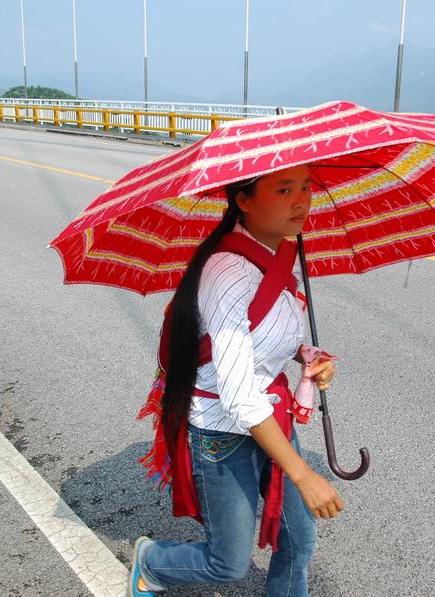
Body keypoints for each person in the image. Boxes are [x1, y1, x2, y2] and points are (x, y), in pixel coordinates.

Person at [129, 164, 343, 596]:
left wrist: (308, 356)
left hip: (270, 418)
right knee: (227, 564)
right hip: (222, 428)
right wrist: (302, 474)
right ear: (243, 201)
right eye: (284, 189)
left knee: (299, 541)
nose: (301, 200)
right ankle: (152, 562)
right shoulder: (226, 273)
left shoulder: (282, 256)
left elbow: (268, 336)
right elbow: (239, 393)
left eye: (305, 187)